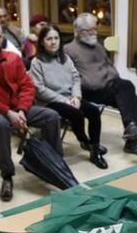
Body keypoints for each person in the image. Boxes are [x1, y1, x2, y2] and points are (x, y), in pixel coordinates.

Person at [0, 22, 62, 202]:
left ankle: (53, 165)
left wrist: (21, 110)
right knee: (0, 124)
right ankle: (7, 176)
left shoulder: (13, 58)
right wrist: (8, 112)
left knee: (51, 116)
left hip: (18, 108)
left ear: (3, 37)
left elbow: (27, 86)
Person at [64, 12, 137, 157]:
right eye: (90, 30)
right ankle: (133, 138)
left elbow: (110, 67)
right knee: (127, 93)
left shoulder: (98, 46)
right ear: (79, 32)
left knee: (126, 89)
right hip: (86, 92)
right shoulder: (68, 50)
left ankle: (132, 132)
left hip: (107, 87)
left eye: (95, 29)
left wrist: (108, 77)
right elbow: (69, 78)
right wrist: (96, 80)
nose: (94, 33)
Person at [29, 25, 107, 169]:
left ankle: (95, 150)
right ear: (42, 42)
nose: (53, 42)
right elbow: (39, 89)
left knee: (93, 112)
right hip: (49, 102)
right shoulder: (37, 62)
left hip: (70, 97)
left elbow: (76, 78)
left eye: (56, 38)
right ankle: (85, 141)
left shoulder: (65, 58)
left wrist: (76, 97)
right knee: (76, 114)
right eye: (49, 39)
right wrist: (64, 100)